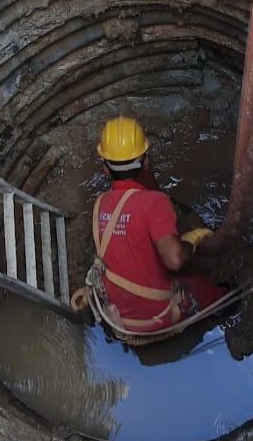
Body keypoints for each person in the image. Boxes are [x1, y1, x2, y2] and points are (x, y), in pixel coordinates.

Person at [82, 116, 227, 340]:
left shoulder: (100, 203)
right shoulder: (155, 202)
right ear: (146, 161)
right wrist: (191, 242)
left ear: (104, 168)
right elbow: (175, 260)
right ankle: (231, 301)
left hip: (117, 313)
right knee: (208, 291)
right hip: (152, 318)